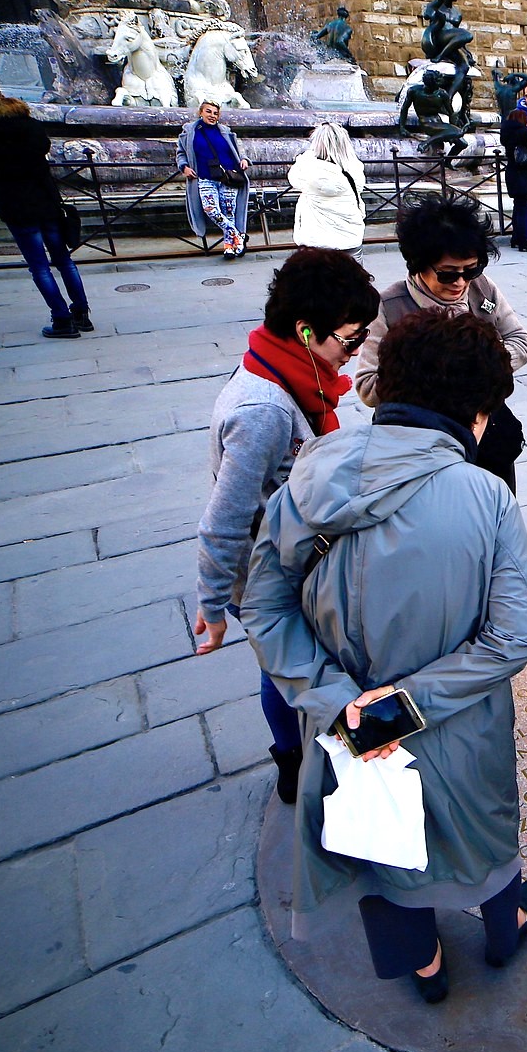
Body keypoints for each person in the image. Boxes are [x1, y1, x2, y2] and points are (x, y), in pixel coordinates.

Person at [242, 308, 527, 1002]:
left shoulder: (309, 475)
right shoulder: (485, 495)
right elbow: (514, 637)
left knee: (375, 840)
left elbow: (262, 605)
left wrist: (336, 700)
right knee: (481, 830)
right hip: (458, 727)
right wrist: (403, 708)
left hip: (344, 725)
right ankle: (505, 926)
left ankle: (425, 965)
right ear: (478, 413)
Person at [197, 248, 381, 806]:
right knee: (289, 670)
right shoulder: (267, 409)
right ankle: (295, 762)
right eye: (350, 339)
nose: (353, 355)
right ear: (305, 332)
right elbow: (224, 518)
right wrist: (212, 606)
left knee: (294, 666)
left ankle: (312, 755)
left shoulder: (287, 368)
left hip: (293, 555)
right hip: (270, 573)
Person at [352, 197, 527, 490]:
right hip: (420, 450)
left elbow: (520, 341)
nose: (460, 283)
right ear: (419, 263)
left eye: (470, 270)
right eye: (448, 274)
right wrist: (450, 377)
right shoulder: (389, 307)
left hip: (488, 436)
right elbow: (368, 387)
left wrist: (481, 367)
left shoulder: (482, 289)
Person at [0, 75, 92, 339]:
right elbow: (43, 146)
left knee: (39, 266)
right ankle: (81, 313)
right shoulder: (25, 120)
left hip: (13, 202)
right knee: (63, 260)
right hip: (44, 198)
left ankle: (62, 320)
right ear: (0, 93)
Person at [176, 100, 251, 259]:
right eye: (208, 111)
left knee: (228, 211)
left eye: (215, 113)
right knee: (211, 209)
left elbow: (238, 149)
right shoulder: (190, 131)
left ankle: (229, 247)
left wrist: (244, 159)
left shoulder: (225, 131)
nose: (212, 115)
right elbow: (181, 153)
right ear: (201, 113)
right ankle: (238, 235)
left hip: (229, 176)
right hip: (204, 177)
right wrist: (184, 167)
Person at [286, 121, 368, 252]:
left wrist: (307, 155)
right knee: (351, 272)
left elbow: (293, 177)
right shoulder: (354, 168)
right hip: (350, 238)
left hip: (315, 242)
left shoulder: (308, 168)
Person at [499, 104, 527, 253]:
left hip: (517, 175)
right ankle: (523, 242)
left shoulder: (515, 135)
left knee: (519, 208)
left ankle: (516, 238)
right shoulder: (517, 134)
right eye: (526, 120)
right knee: (522, 209)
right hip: (520, 177)